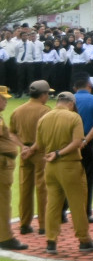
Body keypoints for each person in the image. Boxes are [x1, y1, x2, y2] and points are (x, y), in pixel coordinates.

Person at [35, 92, 93, 253]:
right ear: (71, 103)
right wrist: (60, 153)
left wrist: (53, 153)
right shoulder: (73, 117)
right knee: (77, 204)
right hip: (70, 165)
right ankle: (84, 240)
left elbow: (40, 144)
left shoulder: (44, 118)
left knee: (53, 205)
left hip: (50, 167)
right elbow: (78, 142)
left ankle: (51, 241)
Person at [13, 79, 51, 235]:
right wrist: (33, 148)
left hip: (24, 152)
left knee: (25, 188)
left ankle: (24, 223)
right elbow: (46, 135)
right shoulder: (46, 111)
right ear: (42, 95)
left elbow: (11, 133)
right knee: (43, 189)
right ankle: (43, 225)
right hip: (40, 152)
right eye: (48, 94)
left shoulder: (17, 110)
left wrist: (23, 147)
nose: (48, 97)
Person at [73, 74, 93, 223]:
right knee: (88, 178)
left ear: (75, 88)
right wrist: (86, 139)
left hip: (70, 143)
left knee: (69, 178)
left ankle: (62, 211)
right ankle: (86, 212)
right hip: (89, 142)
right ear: (90, 86)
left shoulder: (68, 100)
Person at [0, 85, 28, 251]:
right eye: (3, 99)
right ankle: (5, 237)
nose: (5, 102)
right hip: (2, 165)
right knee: (3, 202)